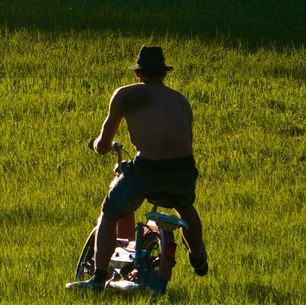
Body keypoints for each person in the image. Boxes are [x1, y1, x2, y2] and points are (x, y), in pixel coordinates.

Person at [67, 45, 208, 291]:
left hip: (147, 169)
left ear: (138, 73)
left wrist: (94, 144)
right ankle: (198, 258)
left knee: (110, 211)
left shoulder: (126, 95)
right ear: (163, 73)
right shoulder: (180, 100)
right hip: (183, 170)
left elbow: (103, 145)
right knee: (185, 208)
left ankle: (99, 278)